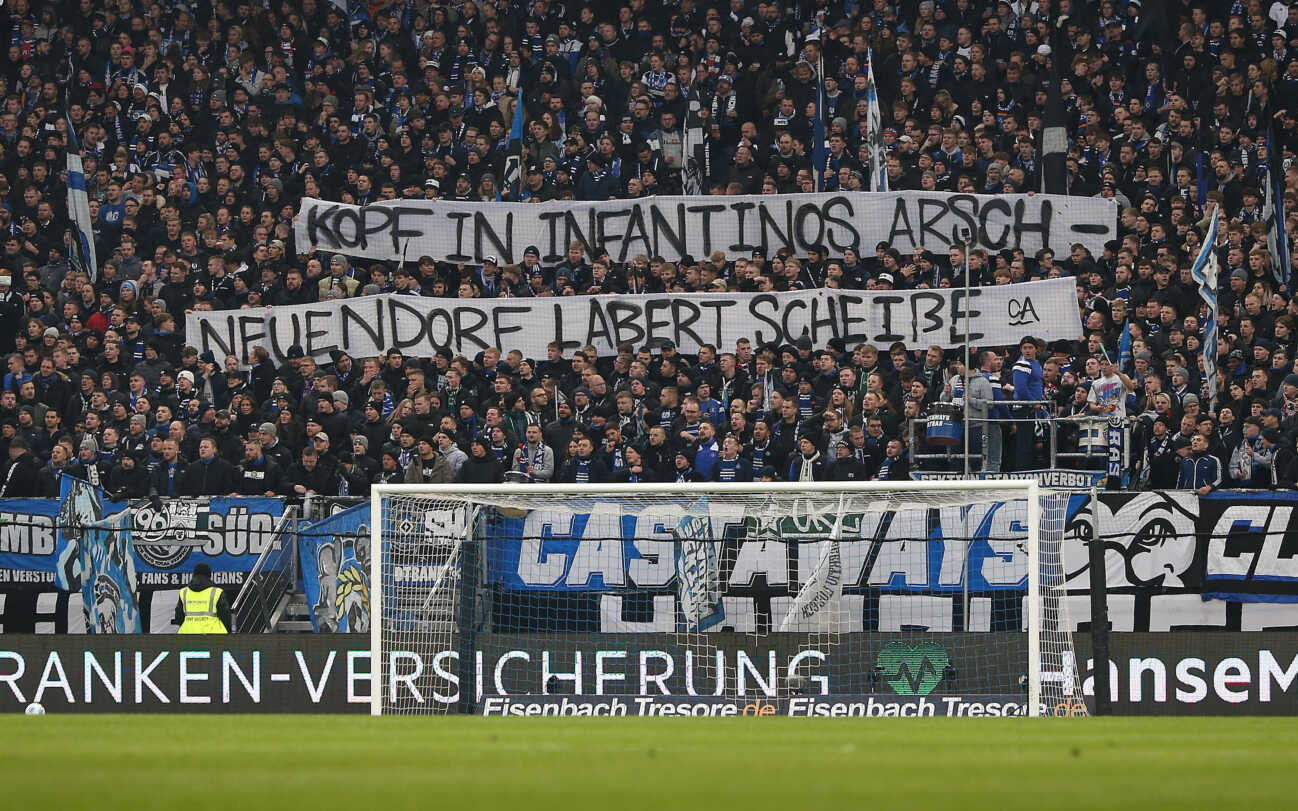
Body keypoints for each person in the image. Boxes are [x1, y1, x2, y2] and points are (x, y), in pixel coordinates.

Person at [1011, 336, 1044, 470]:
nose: (1027, 351)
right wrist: (1033, 402)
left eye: (1030, 347)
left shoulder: (1036, 363)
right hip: (1024, 409)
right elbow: (1020, 388)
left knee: (1031, 442)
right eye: (1025, 348)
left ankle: (1029, 470)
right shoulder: (1021, 365)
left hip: (1033, 409)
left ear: (1036, 349)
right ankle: (1021, 472)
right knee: (1024, 443)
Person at [174, 562, 232, 634]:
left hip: (188, 634)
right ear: (209, 575)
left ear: (194, 575)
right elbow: (225, 616)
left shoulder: (184, 592)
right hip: (214, 636)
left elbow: (178, 617)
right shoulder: (217, 592)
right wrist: (229, 632)